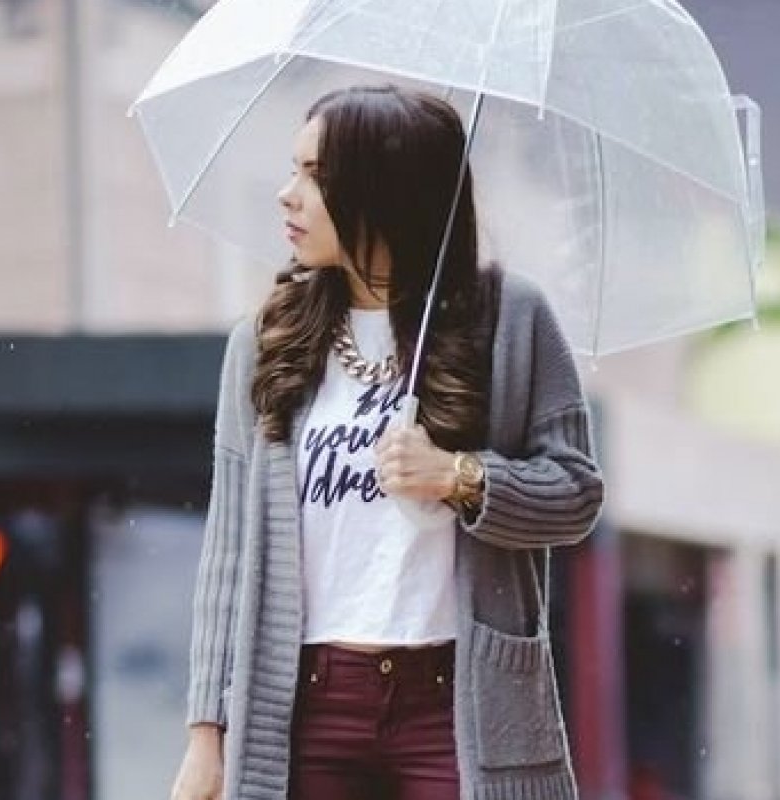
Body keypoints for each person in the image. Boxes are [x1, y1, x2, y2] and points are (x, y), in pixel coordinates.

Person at [170, 85, 604, 800]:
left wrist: (461, 477)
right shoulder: (266, 341)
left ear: (384, 189)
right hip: (306, 703)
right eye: (293, 169)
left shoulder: (510, 319)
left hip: (455, 699)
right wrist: (204, 735)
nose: (288, 195)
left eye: (316, 175)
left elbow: (576, 494)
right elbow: (227, 553)